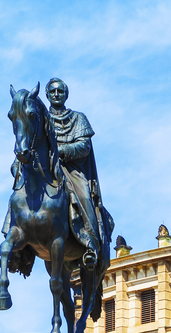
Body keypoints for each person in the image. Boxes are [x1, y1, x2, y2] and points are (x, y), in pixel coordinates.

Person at [45, 78, 114, 270]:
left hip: (72, 170)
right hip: (46, 168)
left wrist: (61, 151)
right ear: (47, 95)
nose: (56, 94)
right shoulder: (41, 118)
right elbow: (29, 142)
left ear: (66, 94)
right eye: (52, 91)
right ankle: (15, 247)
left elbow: (84, 146)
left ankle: (90, 243)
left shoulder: (78, 118)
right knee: (20, 192)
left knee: (83, 195)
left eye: (60, 91)